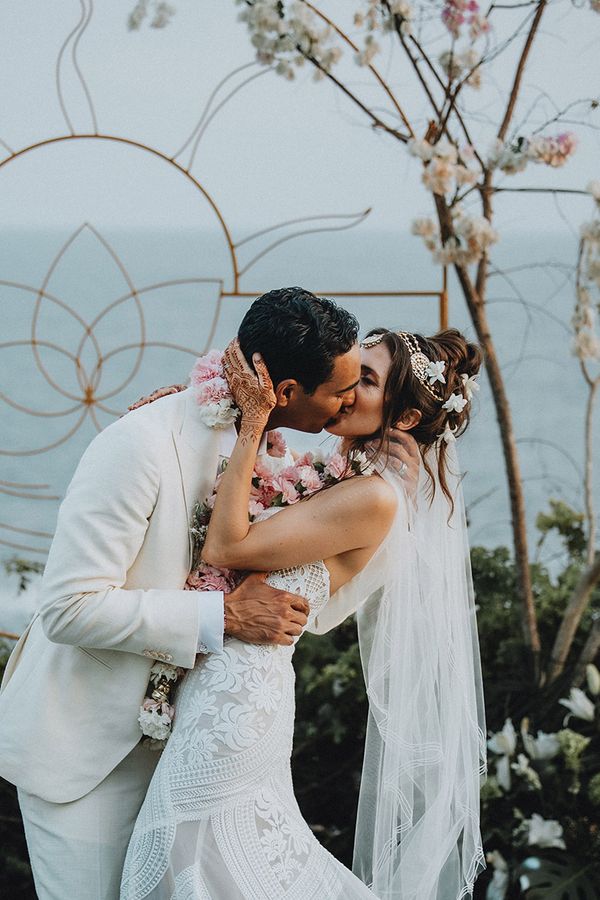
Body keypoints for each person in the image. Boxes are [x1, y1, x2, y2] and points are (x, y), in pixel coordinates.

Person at [0, 288, 418, 900]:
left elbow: (315, 599)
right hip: (85, 755)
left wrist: (381, 486)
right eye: (340, 391)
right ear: (286, 392)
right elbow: (68, 607)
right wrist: (220, 615)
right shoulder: (141, 443)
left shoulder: (277, 453)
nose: (351, 401)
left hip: (190, 750)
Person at [121, 327, 487, 899]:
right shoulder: (337, 477)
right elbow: (252, 502)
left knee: (184, 863)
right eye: (350, 369)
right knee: (200, 867)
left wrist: (249, 423)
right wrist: (184, 420)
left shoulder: (375, 496)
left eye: (366, 380)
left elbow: (226, 549)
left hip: (238, 698)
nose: (342, 386)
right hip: (216, 685)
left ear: (407, 418)